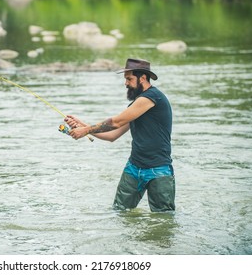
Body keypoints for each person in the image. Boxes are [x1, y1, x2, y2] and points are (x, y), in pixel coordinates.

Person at [65, 58, 175, 212]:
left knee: (163, 220)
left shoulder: (151, 97)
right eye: (125, 79)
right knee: (120, 213)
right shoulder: (136, 106)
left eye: (129, 79)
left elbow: (116, 122)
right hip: (134, 167)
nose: (126, 83)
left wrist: (86, 130)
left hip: (159, 169)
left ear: (142, 78)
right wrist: (83, 126)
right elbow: (113, 135)